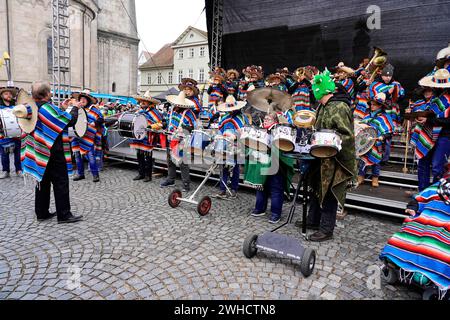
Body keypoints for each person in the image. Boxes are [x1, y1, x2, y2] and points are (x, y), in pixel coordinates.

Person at [380, 160, 450, 299]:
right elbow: (421, 197)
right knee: (407, 235)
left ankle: (429, 274)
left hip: (445, 229)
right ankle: (399, 263)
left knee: (438, 247)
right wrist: (413, 206)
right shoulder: (440, 186)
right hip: (424, 222)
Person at [15, 81, 83, 223]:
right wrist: (74, 108)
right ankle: (64, 215)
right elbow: (69, 121)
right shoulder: (47, 108)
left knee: (42, 181)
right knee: (60, 182)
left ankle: (42, 212)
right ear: (47, 94)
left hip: (37, 151)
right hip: (53, 152)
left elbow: (53, 119)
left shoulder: (28, 109)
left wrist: (62, 108)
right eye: (50, 91)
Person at [307, 69, 357, 242]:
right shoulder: (323, 105)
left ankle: (326, 229)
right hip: (320, 156)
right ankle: (313, 221)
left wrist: (329, 142)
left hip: (334, 158)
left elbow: (347, 135)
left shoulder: (339, 106)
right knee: (315, 187)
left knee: (329, 192)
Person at [246, 113, 295, 224]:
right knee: (261, 186)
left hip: (276, 163)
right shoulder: (261, 130)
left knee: (276, 189)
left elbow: (284, 147)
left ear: (275, 121)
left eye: (268, 119)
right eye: (265, 119)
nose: (265, 121)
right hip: (262, 162)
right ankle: (260, 208)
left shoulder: (280, 130)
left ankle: (275, 213)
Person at [413, 68, 450, 189]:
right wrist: (421, 115)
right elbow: (432, 113)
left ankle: (435, 195)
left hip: (445, 136)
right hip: (428, 133)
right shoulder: (436, 97)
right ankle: (421, 193)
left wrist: (428, 119)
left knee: (437, 167)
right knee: (423, 163)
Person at [160, 92, 197, 192]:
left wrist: (183, 128)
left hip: (182, 141)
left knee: (182, 163)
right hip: (170, 138)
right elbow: (167, 121)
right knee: (170, 160)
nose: (176, 105)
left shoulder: (190, 113)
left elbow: (193, 127)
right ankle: (170, 179)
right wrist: (163, 124)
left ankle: (186, 183)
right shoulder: (171, 110)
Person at [369, 64, 406, 164]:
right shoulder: (375, 85)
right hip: (378, 113)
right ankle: (374, 157)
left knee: (388, 136)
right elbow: (373, 97)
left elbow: (401, 97)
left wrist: (397, 92)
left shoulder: (396, 84)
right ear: (381, 74)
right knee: (376, 134)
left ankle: (385, 159)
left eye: (389, 76)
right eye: (386, 75)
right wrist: (388, 93)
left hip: (391, 113)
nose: (388, 77)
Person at [214, 96, 249, 199]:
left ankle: (234, 189)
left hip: (238, 145)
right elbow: (220, 130)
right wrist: (219, 136)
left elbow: (246, 132)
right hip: (225, 144)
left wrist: (236, 136)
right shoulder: (224, 118)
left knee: (236, 168)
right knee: (223, 167)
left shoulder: (242, 118)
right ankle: (223, 190)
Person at [357, 93, 395, 188]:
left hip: (377, 143)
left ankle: (375, 178)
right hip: (365, 142)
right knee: (362, 159)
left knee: (376, 161)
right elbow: (361, 127)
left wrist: (383, 136)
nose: (372, 106)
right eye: (371, 104)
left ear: (380, 106)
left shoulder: (385, 117)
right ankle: (360, 176)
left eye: (374, 104)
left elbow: (389, 131)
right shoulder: (367, 116)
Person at [71, 90, 104, 183]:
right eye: (81, 98)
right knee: (77, 155)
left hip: (88, 136)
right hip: (76, 135)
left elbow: (101, 119)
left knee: (90, 155)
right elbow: (70, 119)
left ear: (88, 100)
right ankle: (80, 174)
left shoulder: (94, 110)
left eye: (84, 99)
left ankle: (95, 175)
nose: (82, 100)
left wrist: (95, 122)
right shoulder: (76, 109)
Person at [130, 91, 162, 182]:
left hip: (148, 137)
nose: (142, 103)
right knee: (139, 155)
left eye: (144, 101)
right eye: (141, 101)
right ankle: (141, 173)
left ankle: (148, 175)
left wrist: (150, 126)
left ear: (149, 103)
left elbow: (160, 124)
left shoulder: (154, 112)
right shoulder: (138, 111)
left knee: (148, 157)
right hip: (139, 136)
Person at [0, 86, 22, 179]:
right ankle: (6, 170)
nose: (8, 95)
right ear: (1, 96)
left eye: (10, 94)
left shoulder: (17, 106)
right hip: (3, 133)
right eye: (6, 93)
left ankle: (19, 170)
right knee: (4, 153)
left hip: (17, 133)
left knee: (18, 152)